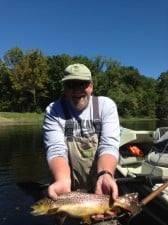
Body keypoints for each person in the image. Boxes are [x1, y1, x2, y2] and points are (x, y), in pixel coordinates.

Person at [43, 63, 120, 219]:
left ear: (91, 86)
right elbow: (56, 149)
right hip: (66, 192)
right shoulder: (54, 110)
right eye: (71, 84)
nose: (77, 90)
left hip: (100, 188)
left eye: (82, 84)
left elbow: (109, 145)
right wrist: (62, 181)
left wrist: (105, 174)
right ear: (65, 88)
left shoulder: (106, 106)